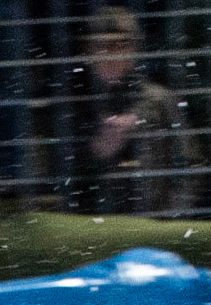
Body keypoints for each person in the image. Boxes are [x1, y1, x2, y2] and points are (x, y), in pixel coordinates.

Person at [66, 7, 195, 217]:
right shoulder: (74, 107)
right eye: (103, 45)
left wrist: (169, 218)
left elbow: (191, 166)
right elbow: (61, 182)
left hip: (155, 226)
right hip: (95, 227)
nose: (112, 54)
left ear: (134, 49)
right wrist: (96, 153)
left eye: (122, 45)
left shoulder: (160, 100)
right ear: (88, 50)